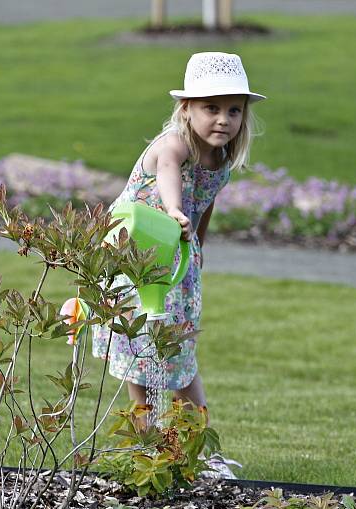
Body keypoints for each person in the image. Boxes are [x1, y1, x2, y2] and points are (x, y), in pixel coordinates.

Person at [91, 51, 265, 476]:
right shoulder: (173, 144)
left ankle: (200, 450)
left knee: (181, 356)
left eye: (233, 111)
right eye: (211, 108)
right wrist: (172, 210)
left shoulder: (219, 161)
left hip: (176, 264)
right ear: (186, 109)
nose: (223, 119)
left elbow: (203, 205)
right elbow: (170, 175)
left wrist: (198, 250)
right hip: (135, 261)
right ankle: (145, 447)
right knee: (141, 356)